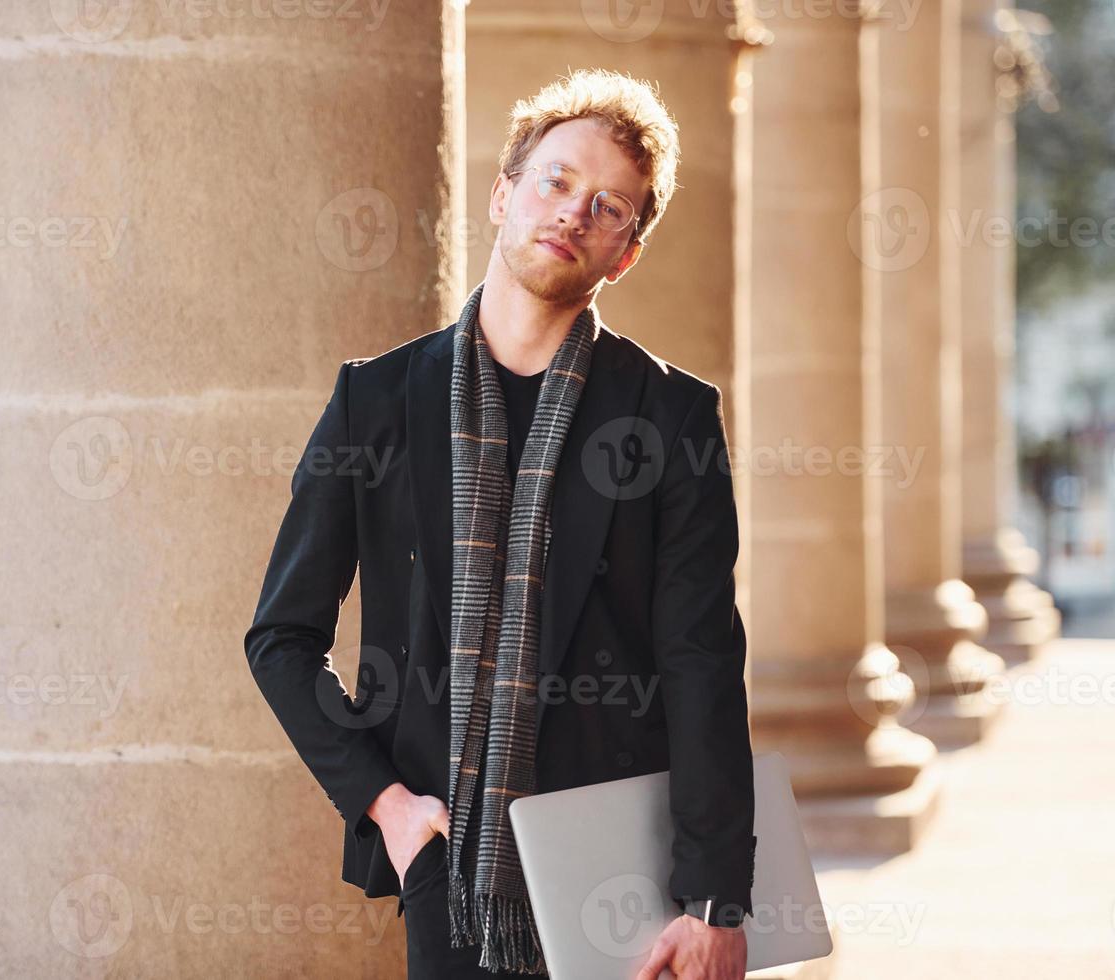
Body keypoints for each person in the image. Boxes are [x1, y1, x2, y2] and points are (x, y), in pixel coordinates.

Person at [244, 67, 754, 979]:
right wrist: (385, 804)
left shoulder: (672, 418)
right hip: (450, 861)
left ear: (625, 253)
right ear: (502, 193)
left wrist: (716, 896)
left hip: (622, 869)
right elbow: (282, 637)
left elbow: (701, 664)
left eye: (608, 206)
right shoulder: (377, 402)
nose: (572, 212)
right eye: (556, 181)